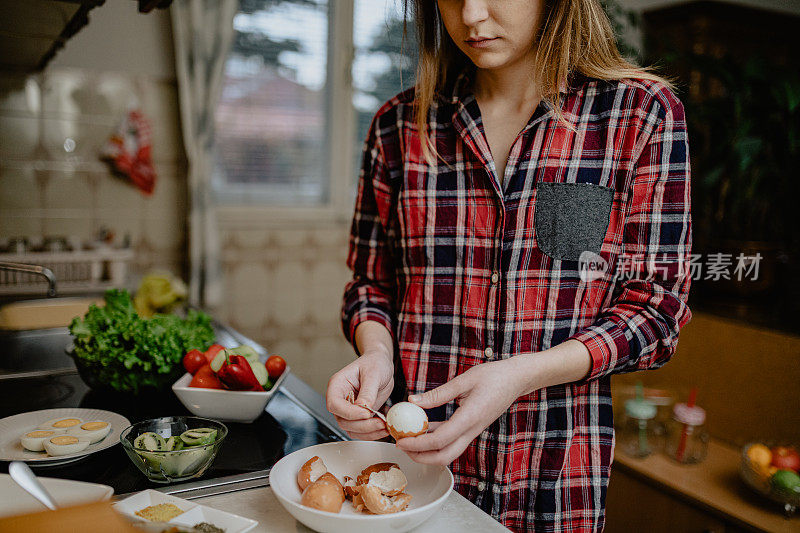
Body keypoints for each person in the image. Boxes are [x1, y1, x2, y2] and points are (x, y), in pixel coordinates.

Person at [327, 0, 691, 531]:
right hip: (409, 479)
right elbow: (371, 284)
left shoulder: (638, 115)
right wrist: (376, 353)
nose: (472, 15)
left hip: (554, 476)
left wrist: (521, 375)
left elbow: (657, 311)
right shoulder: (397, 127)